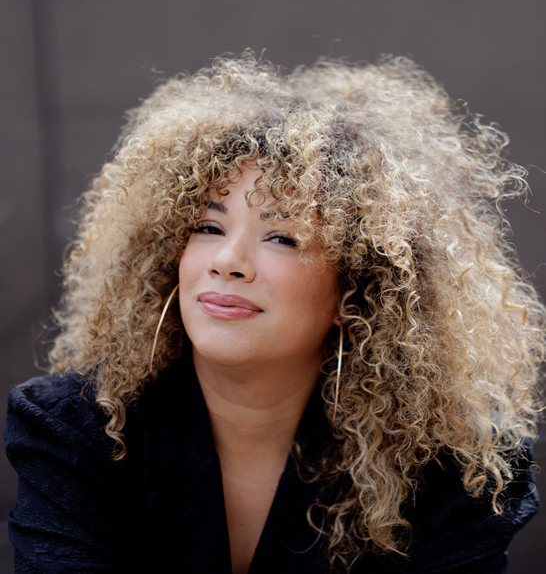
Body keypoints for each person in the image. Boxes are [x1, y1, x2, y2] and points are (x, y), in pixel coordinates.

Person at [4, 52, 544, 574]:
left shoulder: (459, 467)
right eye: (209, 227)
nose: (227, 261)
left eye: (283, 237)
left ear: (359, 290)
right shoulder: (74, 428)